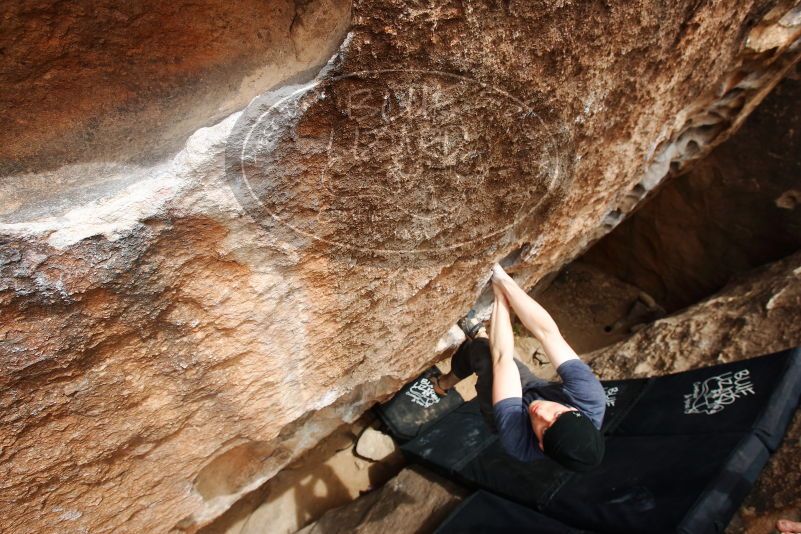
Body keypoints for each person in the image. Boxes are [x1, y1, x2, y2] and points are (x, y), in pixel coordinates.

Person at [431, 263, 606, 471]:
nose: (542, 413)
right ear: (574, 409)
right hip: (534, 387)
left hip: (507, 412)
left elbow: (501, 358)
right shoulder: (590, 397)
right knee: (485, 349)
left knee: (484, 353)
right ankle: (455, 370)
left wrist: (500, 299)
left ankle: (443, 382)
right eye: (557, 415)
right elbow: (548, 333)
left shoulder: (518, 440)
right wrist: (502, 280)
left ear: (541, 445)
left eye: (544, 429)